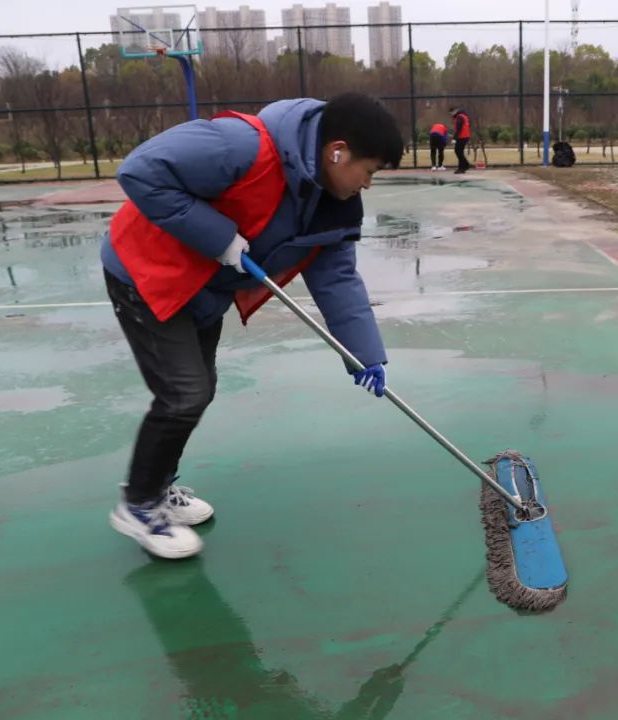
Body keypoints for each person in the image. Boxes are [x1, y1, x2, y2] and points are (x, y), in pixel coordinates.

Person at [101, 92, 403, 560]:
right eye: (369, 170)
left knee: (197, 390)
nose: (367, 183)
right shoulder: (240, 145)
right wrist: (219, 236)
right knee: (184, 393)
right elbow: (140, 171)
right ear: (337, 151)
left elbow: (337, 279)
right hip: (145, 273)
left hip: (203, 290)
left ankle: (157, 487)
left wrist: (364, 353)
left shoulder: (335, 204)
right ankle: (138, 505)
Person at [449, 106, 472, 174]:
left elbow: (459, 128)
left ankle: (465, 165)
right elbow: (468, 125)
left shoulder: (459, 117)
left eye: (451, 112)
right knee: (459, 152)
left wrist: (454, 138)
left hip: (462, 137)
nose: (451, 114)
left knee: (458, 151)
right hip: (465, 136)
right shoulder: (464, 116)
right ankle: (462, 168)